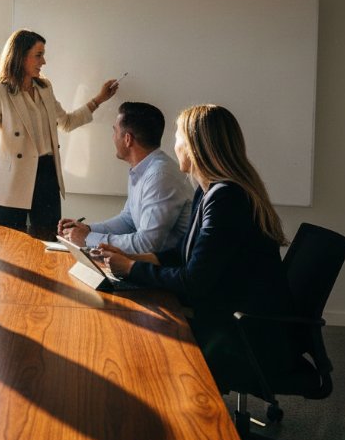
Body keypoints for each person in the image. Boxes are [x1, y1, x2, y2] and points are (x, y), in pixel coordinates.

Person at [96, 104, 294, 387]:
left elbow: (194, 280)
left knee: (138, 335)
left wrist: (130, 268)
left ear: (194, 146)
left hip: (245, 332)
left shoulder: (226, 199)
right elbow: (183, 253)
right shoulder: (210, 191)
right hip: (229, 311)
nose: (174, 144)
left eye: (178, 137)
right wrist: (132, 257)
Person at [0, 29, 119, 240]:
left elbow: (67, 122)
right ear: (20, 56)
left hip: (47, 177)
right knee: (11, 250)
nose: (44, 61)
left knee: (49, 243)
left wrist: (99, 99)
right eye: (38, 55)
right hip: (12, 182)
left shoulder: (45, 87)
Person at [57, 102, 192, 253]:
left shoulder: (160, 176)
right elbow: (129, 220)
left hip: (167, 268)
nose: (113, 137)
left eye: (115, 131)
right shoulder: (144, 168)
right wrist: (87, 229)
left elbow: (147, 245)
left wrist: (88, 238)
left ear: (128, 139)